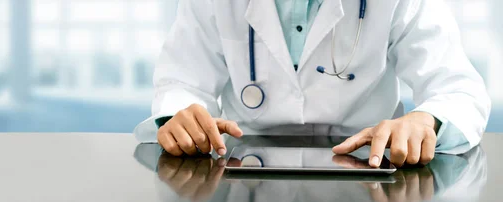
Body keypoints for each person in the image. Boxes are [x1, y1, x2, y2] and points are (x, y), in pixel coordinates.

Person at [133, 0, 491, 167]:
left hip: (371, 170)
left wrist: (426, 120)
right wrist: (178, 116)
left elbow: (457, 89)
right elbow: (181, 82)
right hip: (245, 173)